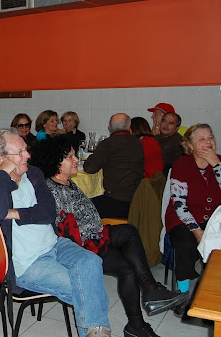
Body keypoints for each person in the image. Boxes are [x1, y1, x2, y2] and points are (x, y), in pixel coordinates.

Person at [30, 136, 189, 337]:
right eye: (70, 157)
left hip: (95, 235)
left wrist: (98, 230)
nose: (76, 159)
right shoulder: (51, 189)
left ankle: (150, 290)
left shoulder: (68, 182)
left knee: (129, 231)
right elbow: (65, 231)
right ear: (56, 162)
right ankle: (138, 321)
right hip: (80, 247)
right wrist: (94, 234)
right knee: (127, 268)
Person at [0, 128, 111, 337]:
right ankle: (98, 332)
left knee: (92, 263)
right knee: (87, 286)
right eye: (20, 153)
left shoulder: (33, 174)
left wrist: (15, 213)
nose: (28, 155)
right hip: (28, 263)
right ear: (1, 159)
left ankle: (95, 331)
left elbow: (48, 212)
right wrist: (3, 174)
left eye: (26, 150)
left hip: (55, 244)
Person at [164, 124, 221, 314]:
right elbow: (179, 204)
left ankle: (215, 290)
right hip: (183, 217)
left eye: (210, 138)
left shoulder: (220, 162)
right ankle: (182, 293)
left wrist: (216, 165)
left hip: (214, 218)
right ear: (190, 145)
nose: (208, 143)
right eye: (202, 139)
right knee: (185, 243)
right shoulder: (182, 165)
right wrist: (198, 232)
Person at [84, 113, 144, 218]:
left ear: (109, 127)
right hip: (136, 200)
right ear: (129, 127)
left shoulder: (108, 144)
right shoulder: (138, 143)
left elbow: (89, 168)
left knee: (81, 206)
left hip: (114, 201)